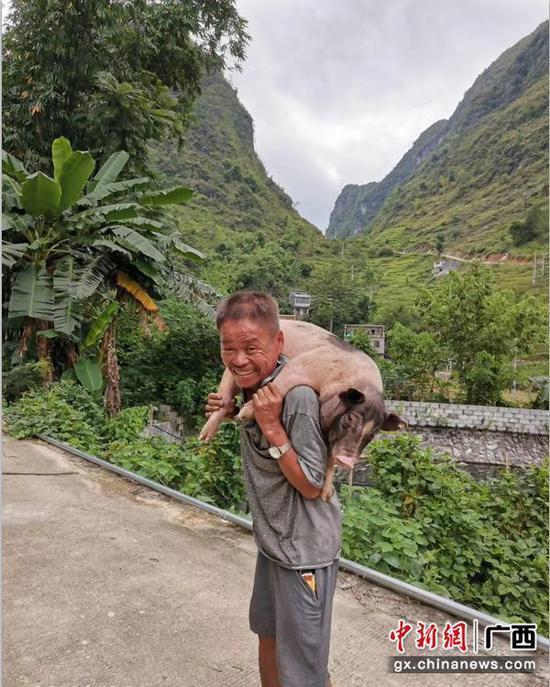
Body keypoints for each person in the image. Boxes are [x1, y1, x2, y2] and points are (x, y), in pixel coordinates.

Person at [205, 290, 342, 687]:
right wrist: (233, 413)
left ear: (279, 343)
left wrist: (273, 428)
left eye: (251, 346)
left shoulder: (296, 397)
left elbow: (315, 485)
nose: (238, 358)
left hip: (304, 554)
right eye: (228, 347)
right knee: (268, 636)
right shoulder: (254, 387)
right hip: (273, 546)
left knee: (304, 670)